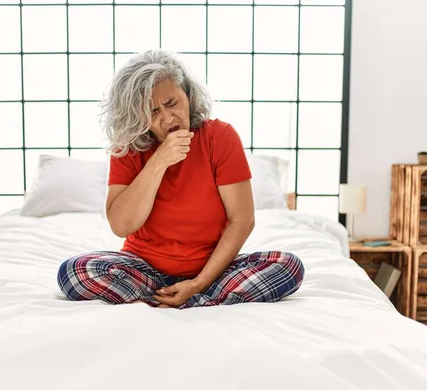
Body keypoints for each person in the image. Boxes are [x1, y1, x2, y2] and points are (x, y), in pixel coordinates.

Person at [57, 49, 304, 309]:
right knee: (74, 272)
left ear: (187, 94)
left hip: (212, 273)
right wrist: (159, 161)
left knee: (287, 266)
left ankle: (190, 298)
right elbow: (121, 225)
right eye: (152, 111)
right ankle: (184, 298)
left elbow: (242, 221)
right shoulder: (127, 148)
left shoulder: (220, 137)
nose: (167, 117)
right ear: (138, 116)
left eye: (172, 103)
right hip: (144, 270)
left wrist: (198, 284)